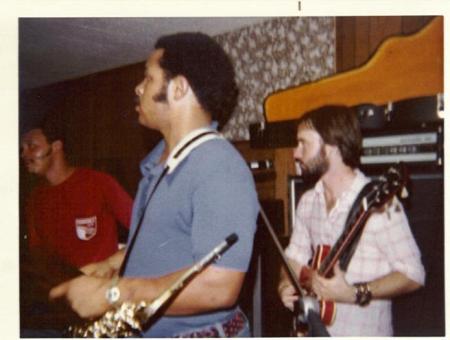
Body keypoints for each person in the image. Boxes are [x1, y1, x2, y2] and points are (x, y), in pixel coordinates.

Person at [49, 32, 259, 337]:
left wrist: (115, 293)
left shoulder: (218, 166)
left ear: (179, 88)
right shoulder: (158, 165)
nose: (138, 88)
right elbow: (171, 243)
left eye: (148, 78)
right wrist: (112, 263)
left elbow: (219, 287)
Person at [277, 105, 425, 336]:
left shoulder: (383, 204)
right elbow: (294, 258)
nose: (295, 153)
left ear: (331, 147)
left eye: (303, 143)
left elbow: (413, 275)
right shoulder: (308, 201)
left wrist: (355, 293)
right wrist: (285, 284)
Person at [21, 119, 133, 270]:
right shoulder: (35, 199)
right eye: (22, 149)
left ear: (56, 146)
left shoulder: (98, 182)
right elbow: (38, 254)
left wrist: (113, 265)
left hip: (100, 288)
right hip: (58, 287)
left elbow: (144, 229)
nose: (24, 154)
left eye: (31, 146)